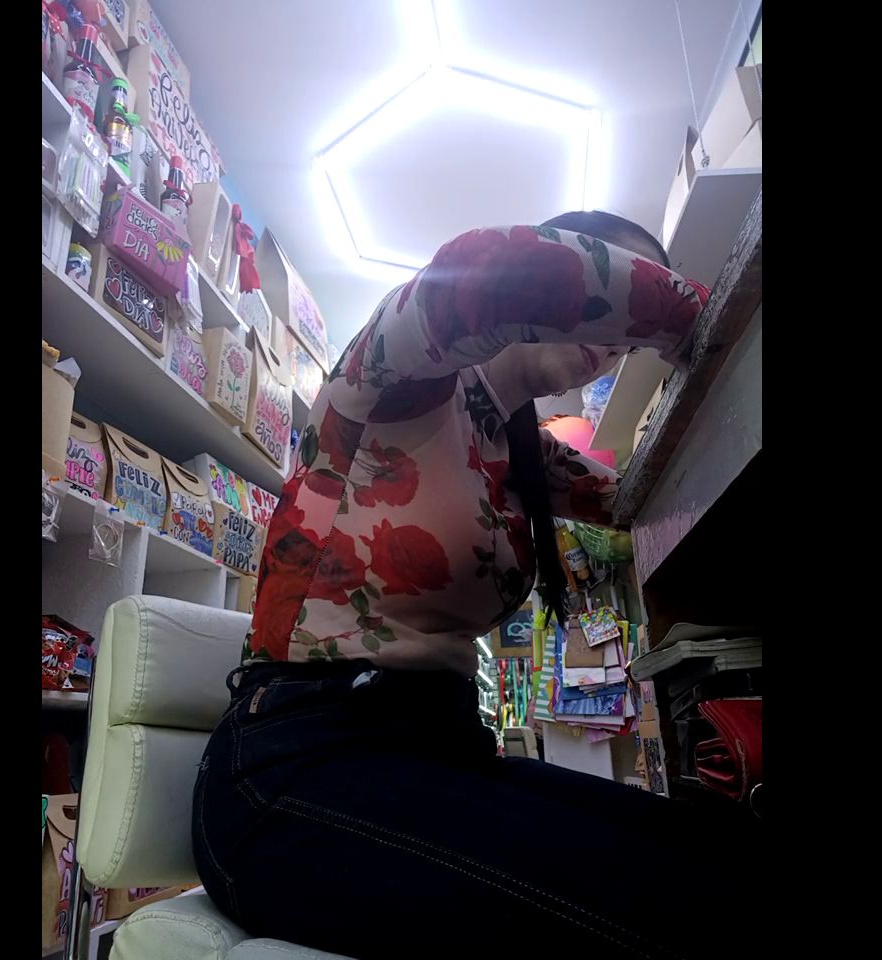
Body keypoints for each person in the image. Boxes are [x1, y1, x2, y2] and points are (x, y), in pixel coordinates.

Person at [192, 212, 754, 959]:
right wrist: (689, 316)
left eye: (625, 339)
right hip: (294, 765)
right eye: (614, 296)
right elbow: (491, 269)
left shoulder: (524, 453)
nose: (615, 340)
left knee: (720, 853)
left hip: (436, 749)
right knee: (682, 912)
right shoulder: (399, 372)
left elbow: (639, 495)